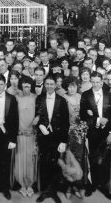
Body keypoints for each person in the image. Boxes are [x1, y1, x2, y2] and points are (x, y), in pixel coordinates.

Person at [80, 72, 111, 200]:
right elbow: (82, 117)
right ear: (91, 81)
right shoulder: (85, 95)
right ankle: (92, 185)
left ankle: (104, 186)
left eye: (98, 82)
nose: (95, 84)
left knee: (106, 161)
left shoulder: (108, 95)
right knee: (92, 160)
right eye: (93, 82)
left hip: (106, 134)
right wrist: (96, 120)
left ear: (102, 82)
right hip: (92, 133)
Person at [35, 74, 69, 203]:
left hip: (57, 137)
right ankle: (45, 191)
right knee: (44, 163)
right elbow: (36, 116)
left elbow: (66, 122)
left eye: (51, 84)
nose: (49, 86)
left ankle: (53, 191)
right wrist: (40, 126)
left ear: (55, 85)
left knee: (55, 165)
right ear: (45, 84)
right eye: (47, 84)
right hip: (44, 136)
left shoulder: (61, 100)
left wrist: (63, 141)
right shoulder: (39, 98)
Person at [62, 76, 88, 199]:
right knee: (68, 159)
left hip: (80, 133)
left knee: (79, 159)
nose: (71, 88)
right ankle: (68, 186)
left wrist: (82, 128)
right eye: (69, 86)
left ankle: (77, 186)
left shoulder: (81, 97)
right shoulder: (63, 98)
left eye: (73, 86)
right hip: (67, 132)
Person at [14, 76, 38, 198]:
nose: (26, 88)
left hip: (31, 134)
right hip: (20, 133)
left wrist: (37, 118)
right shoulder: (17, 98)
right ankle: (22, 185)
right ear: (20, 86)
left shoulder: (35, 97)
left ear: (31, 86)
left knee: (30, 160)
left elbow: (39, 113)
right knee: (20, 159)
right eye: (24, 86)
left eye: (28, 86)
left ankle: (30, 185)